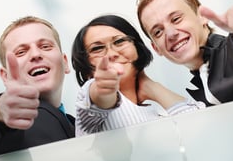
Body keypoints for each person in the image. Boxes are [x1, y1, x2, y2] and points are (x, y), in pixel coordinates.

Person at [0, 16, 75, 160]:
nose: (36, 54)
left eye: (45, 46)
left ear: (65, 62)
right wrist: (0, 113)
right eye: (21, 52)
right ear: (5, 76)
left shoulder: (83, 128)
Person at [71, 14, 202, 136]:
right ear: (85, 65)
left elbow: (199, 126)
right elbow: (98, 98)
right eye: (97, 48)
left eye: (119, 41)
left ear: (137, 48)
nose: (111, 54)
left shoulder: (156, 113)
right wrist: (103, 87)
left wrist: (152, 87)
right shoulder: (88, 99)